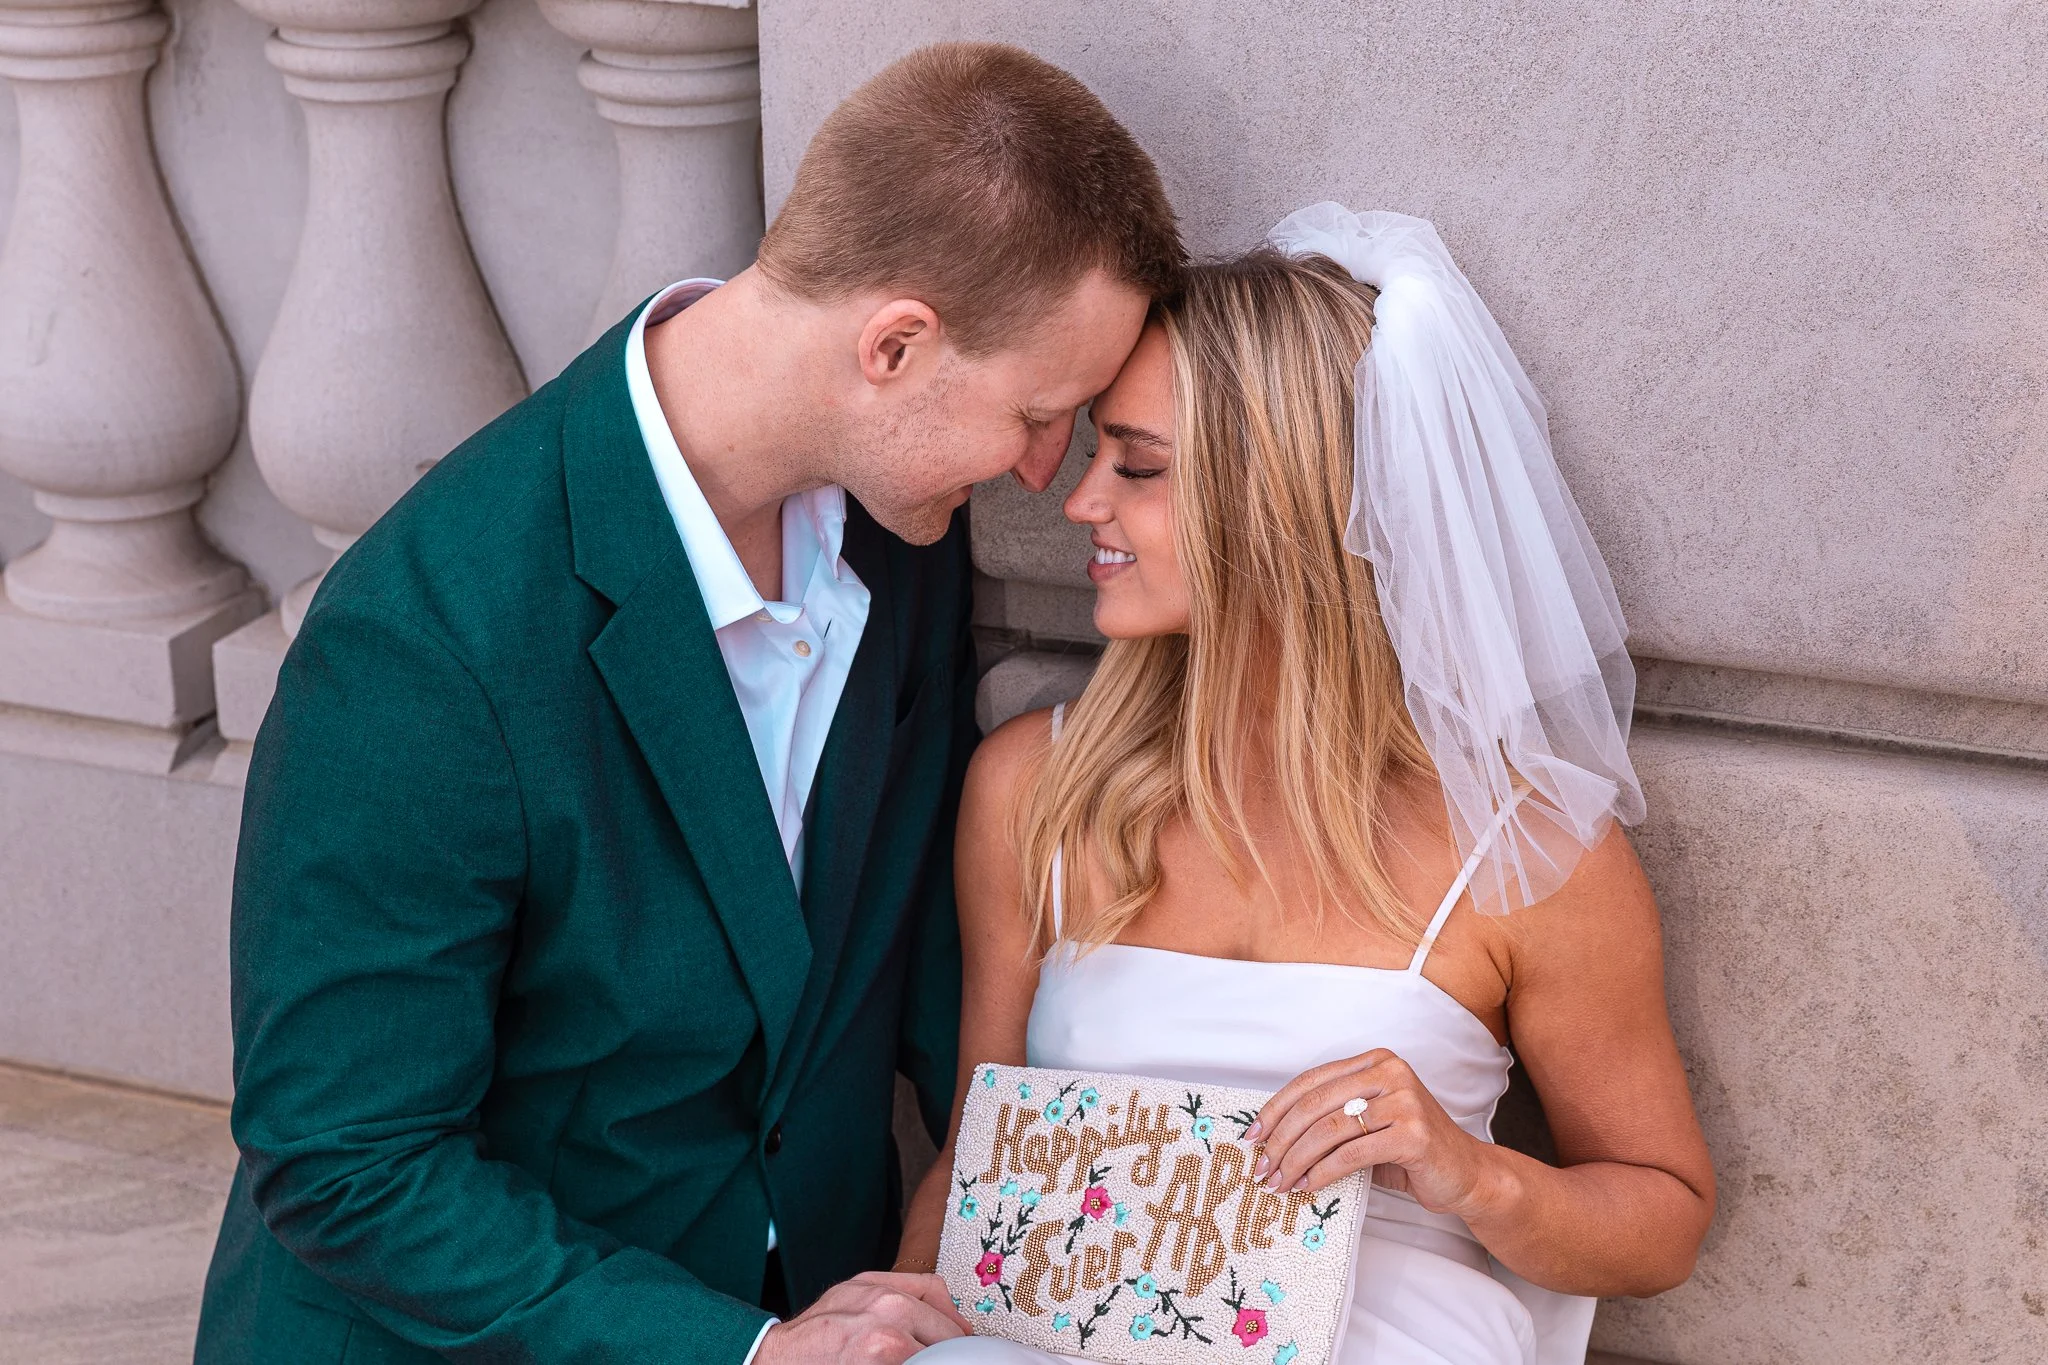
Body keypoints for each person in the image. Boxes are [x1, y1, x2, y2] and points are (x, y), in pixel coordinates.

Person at [194, 43, 1183, 1365]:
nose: (1050, 474)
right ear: (895, 345)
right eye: (1039, 413)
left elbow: (914, 945)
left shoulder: (906, 524)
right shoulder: (421, 641)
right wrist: (744, 1352)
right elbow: (347, 1169)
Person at [898, 207, 1715, 1364]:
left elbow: (1660, 1220)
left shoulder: (1526, 848)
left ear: (1273, 502)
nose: (1080, 501)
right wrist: (885, 1322)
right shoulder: (1035, 787)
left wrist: (1465, 1172)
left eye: (1134, 464)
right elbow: (972, 1154)